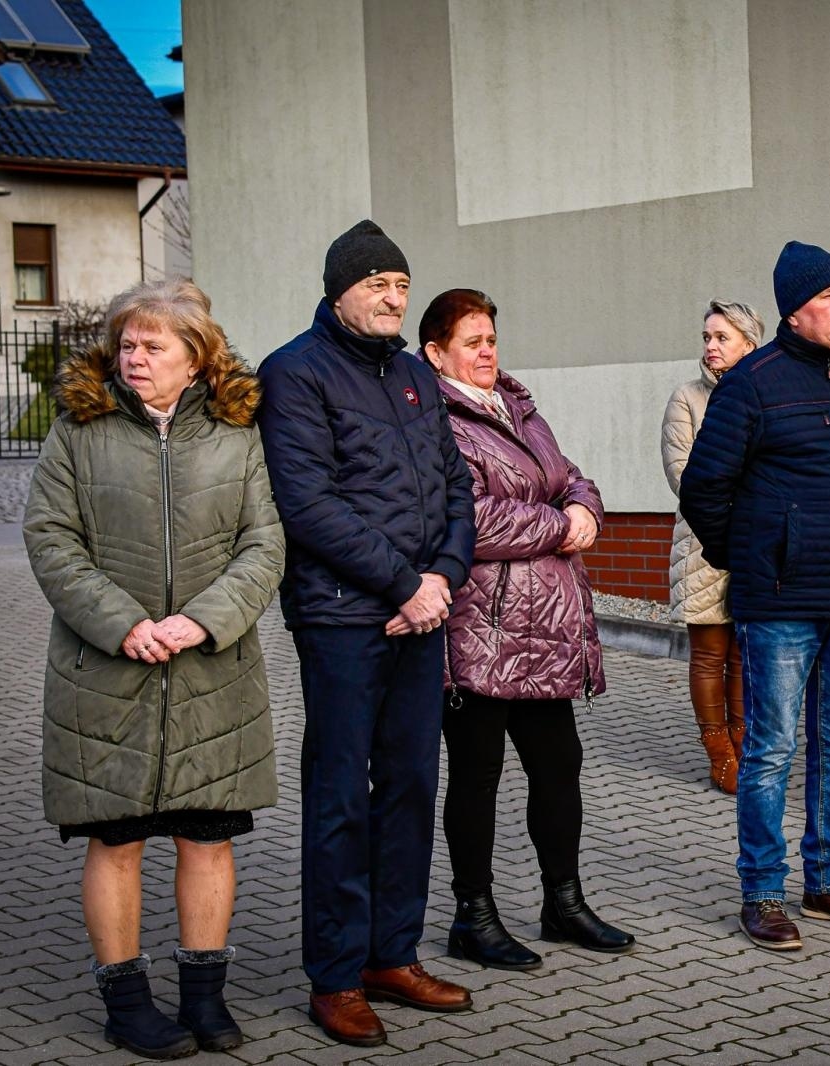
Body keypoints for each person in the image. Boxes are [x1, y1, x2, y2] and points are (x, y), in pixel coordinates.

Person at [23, 279, 285, 1059]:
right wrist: (122, 623)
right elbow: (50, 537)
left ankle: (204, 1000)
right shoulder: (80, 428)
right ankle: (128, 1004)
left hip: (212, 674)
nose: (134, 358)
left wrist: (201, 620)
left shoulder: (239, 434)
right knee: (119, 840)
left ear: (197, 360)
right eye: (127, 345)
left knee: (208, 838)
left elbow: (263, 544)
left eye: (153, 346)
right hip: (106, 672)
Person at [258, 220, 477, 1047]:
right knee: (343, 796)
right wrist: (403, 584)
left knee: (413, 787)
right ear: (339, 289)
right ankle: (337, 975)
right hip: (345, 618)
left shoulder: (417, 375)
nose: (394, 298)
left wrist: (443, 580)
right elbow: (308, 503)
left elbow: (457, 490)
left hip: (421, 613)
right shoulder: (295, 373)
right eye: (378, 283)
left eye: (402, 285)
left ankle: (394, 953)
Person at [681, 240, 830, 952]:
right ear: (794, 308)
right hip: (779, 599)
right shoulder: (754, 382)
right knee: (771, 751)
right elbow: (704, 488)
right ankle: (763, 892)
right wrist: (748, 554)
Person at [419, 287, 634, 972]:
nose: (487, 352)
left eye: (492, 339)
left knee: (557, 764)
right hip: (480, 626)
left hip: (546, 629)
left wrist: (587, 512)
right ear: (436, 353)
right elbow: (471, 519)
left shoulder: (517, 409)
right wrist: (560, 526)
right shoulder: (435, 422)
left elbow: (571, 477)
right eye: (472, 341)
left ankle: (562, 903)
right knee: (479, 774)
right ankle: (472, 916)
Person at [661, 300, 765, 793]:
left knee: (745, 652)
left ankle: (745, 743)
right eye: (707, 337)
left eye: (722, 337)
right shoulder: (687, 398)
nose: (711, 346)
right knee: (709, 652)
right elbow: (685, 476)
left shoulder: (766, 392)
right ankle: (719, 752)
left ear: (749, 341)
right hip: (702, 543)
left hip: (754, 542)